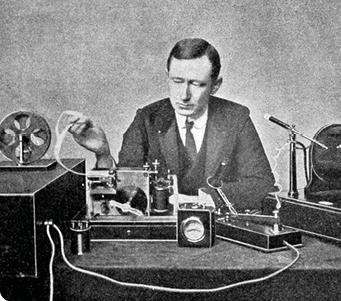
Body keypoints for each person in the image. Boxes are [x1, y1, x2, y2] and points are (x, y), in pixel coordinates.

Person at [69, 38, 275, 210]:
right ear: (167, 77)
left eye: (196, 84)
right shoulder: (146, 119)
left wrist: (204, 200)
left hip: (218, 232)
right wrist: (103, 154)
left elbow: (261, 184)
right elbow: (126, 189)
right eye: (177, 81)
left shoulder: (235, 118)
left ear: (215, 85)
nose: (184, 95)